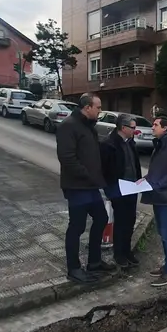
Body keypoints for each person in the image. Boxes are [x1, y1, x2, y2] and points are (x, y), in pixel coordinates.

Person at [55, 92, 114, 283]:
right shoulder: (69, 126)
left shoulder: (89, 127)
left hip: (91, 186)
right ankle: (73, 269)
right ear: (87, 107)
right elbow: (67, 158)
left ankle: (94, 262)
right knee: (77, 226)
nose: (100, 111)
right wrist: (88, 175)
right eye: (98, 107)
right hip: (77, 186)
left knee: (101, 217)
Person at [138, 116, 167, 287]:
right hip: (159, 196)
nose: (152, 127)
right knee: (163, 233)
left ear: (165, 128)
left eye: (155, 125)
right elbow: (158, 170)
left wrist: (158, 185)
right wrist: (145, 180)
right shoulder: (161, 143)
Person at [101, 113, 142, 268]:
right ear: (123, 128)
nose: (135, 130)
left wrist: (139, 180)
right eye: (132, 127)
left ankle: (127, 250)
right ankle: (119, 254)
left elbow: (135, 163)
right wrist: (110, 189)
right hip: (118, 190)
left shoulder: (130, 142)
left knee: (130, 220)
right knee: (120, 222)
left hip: (132, 188)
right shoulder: (109, 144)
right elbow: (104, 170)